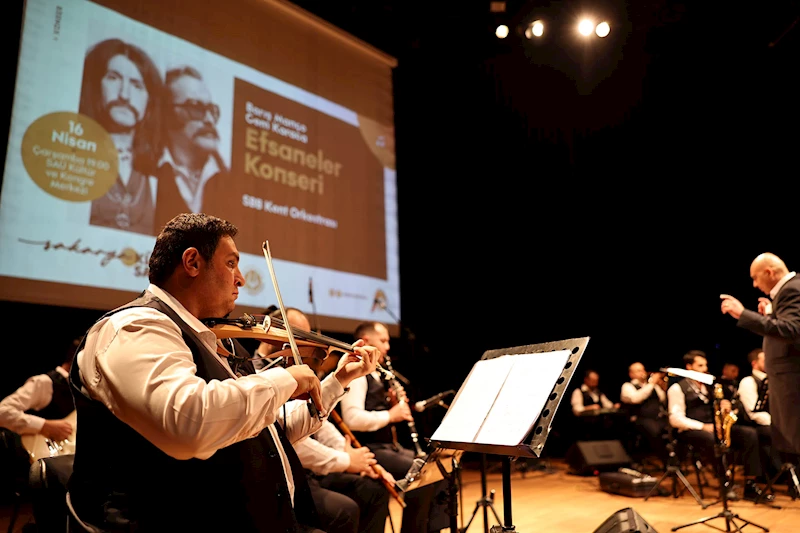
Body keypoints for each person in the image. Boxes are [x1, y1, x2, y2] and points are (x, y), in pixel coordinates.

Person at [66, 212, 380, 532]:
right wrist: (287, 379)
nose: (240, 279)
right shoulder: (135, 327)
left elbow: (269, 432)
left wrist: (338, 380)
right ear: (192, 262)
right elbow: (190, 424)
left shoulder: (215, 340)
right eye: (231, 264)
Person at [258, 307, 393, 533]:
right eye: (297, 336)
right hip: (286, 475)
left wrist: (350, 454)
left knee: (373, 490)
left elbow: (317, 419)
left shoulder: (294, 369)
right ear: (270, 334)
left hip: (312, 470)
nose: (305, 346)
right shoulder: (253, 373)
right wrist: (345, 460)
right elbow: (286, 436)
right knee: (345, 511)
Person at [341, 321, 449, 533]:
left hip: (388, 447)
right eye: (383, 341)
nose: (387, 347)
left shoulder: (377, 375)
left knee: (438, 466)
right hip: (368, 450)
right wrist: (391, 415)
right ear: (366, 341)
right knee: (421, 472)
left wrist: (391, 404)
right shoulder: (357, 374)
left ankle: (430, 529)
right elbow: (351, 419)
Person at [721, 252, 800, 457]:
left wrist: (743, 314)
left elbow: (792, 330)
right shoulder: (790, 290)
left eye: (755, 278)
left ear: (769, 272)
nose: (755, 284)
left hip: (792, 382)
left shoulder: (792, 289)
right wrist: (771, 316)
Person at [79, 38, 162, 234]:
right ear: (96, 86)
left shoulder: (156, 172)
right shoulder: (77, 155)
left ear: (149, 101)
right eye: (114, 78)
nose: (124, 95)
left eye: (137, 85)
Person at [667, 349, 772, 501]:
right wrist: (702, 426)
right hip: (691, 430)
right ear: (689, 367)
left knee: (749, 433)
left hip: (714, 427)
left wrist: (724, 406)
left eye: (705, 365)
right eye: (700, 366)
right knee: (712, 440)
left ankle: (750, 484)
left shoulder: (709, 387)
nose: (704, 369)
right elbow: (675, 419)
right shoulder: (677, 388)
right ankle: (725, 484)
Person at [0, 338, 79, 498]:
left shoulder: (82, 390)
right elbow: (3, 412)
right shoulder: (45, 382)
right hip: (39, 462)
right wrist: (45, 425)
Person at [154, 66, 228, 231]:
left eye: (212, 110)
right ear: (168, 113)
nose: (209, 120)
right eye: (195, 108)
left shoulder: (229, 181)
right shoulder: (145, 171)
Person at [737, 348, 782, 480]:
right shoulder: (748, 381)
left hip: (771, 423)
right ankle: (780, 473)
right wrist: (777, 424)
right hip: (755, 425)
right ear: (754, 363)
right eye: (765, 360)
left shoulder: (774, 380)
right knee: (780, 434)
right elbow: (754, 413)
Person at [620, 363, 668, 466]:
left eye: (643, 370)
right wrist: (651, 384)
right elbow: (635, 399)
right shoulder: (627, 386)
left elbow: (663, 400)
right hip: (640, 419)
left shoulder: (653, 386)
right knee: (655, 431)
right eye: (638, 370)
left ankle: (674, 460)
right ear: (631, 374)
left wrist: (662, 386)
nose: (643, 372)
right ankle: (666, 462)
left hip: (659, 418)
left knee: (675, 431)